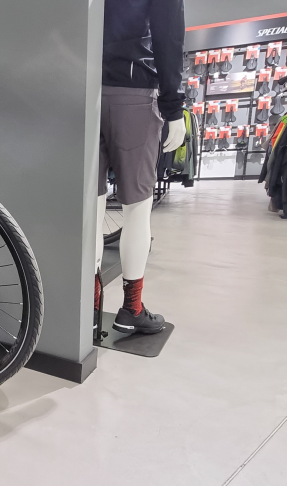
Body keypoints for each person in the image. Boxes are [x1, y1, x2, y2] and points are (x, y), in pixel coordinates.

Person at [94, 0, 185, 334]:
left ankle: (90, 308)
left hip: (84, 90)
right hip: (133, 91)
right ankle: (131, 308)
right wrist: (173, 108)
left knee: (91, 207)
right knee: (137, 206)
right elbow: (168, 36)